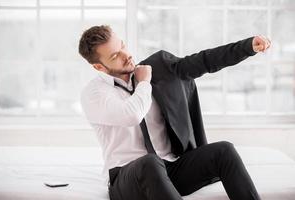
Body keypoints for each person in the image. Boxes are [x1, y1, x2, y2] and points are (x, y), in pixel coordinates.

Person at [78, 25, 271, 200]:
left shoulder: (158, 68)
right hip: (127, 178)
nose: (126, 55)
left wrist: (247, 47)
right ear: (98, 67)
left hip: (171, 168)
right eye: (114, 56)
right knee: (150, 163)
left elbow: (202, 61)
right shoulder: (94, 94)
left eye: (123, 46)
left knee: (224, 150)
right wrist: (144, 82)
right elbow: (132, 114)